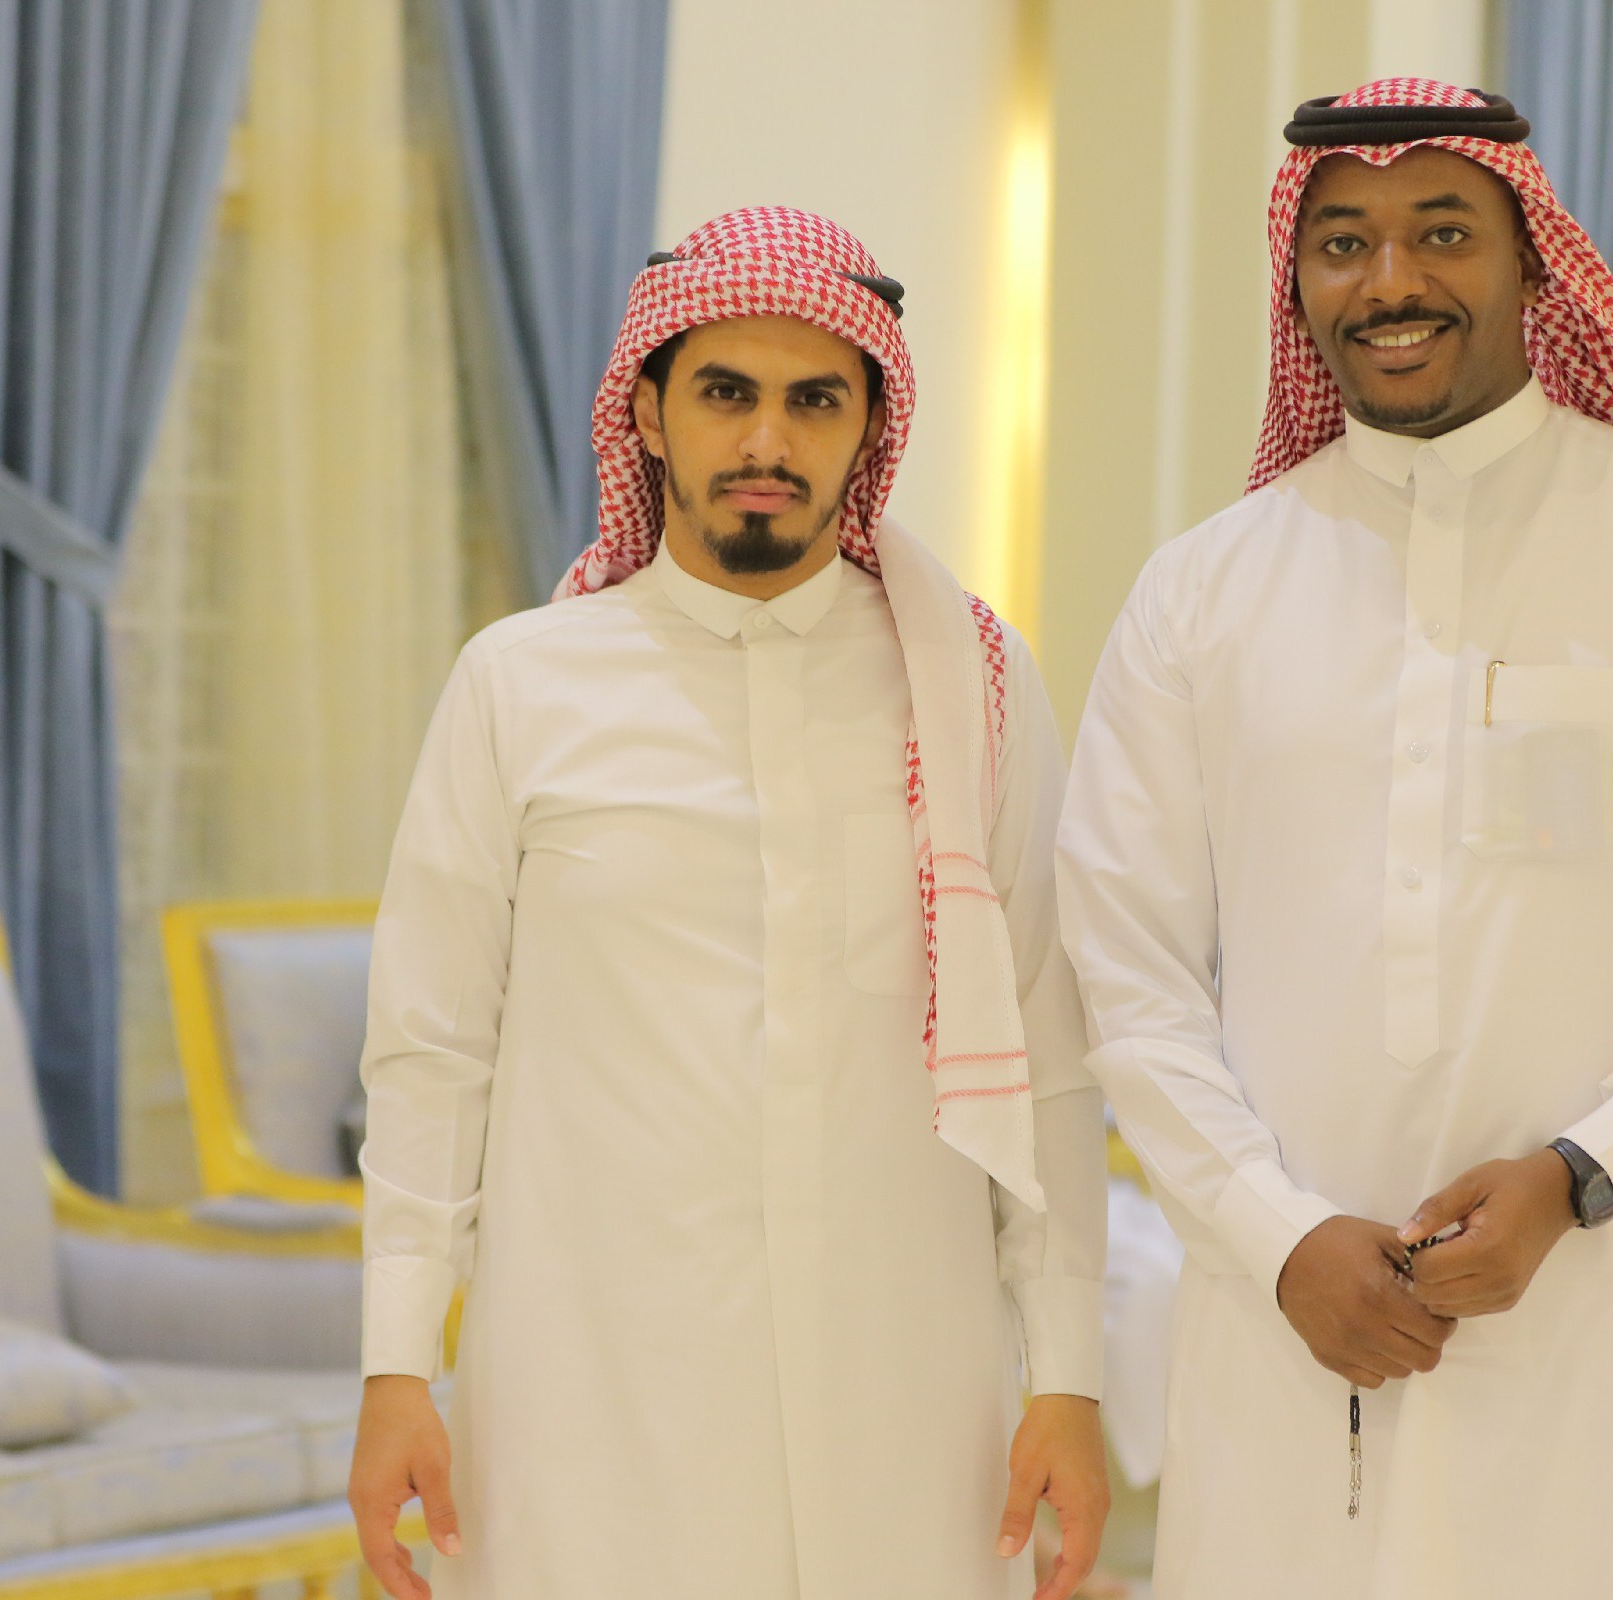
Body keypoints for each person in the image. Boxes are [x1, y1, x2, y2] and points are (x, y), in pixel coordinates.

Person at [1056, 79, 1613, 1598]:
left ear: (1533, 264)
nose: (1391, 282)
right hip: (1289, 1324)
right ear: (1296, 280)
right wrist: (1275, 1231)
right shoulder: (1199, 595)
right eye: (1344, 243)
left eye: (1443, 233)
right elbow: (1126, 967)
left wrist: (1585, 1175)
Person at [347, 207, 1110, 1600]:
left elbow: (1049, 1049)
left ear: (869, 426)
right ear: (648, 413)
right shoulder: (519, 685)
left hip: (902, 1387)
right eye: (724, 394)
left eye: (814, 400)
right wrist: (395, 1360)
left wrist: (1067, 1376)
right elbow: (432, 1050)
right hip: (596, 1394)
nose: (767, 441)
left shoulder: (974, 687)